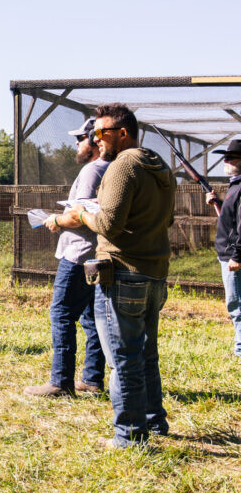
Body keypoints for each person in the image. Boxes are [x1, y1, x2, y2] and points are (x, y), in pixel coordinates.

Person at [65, 103, 176, 448]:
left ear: (122, 133)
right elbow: (166, 221)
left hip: (123, 274)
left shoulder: (122, 166)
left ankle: (129, 436)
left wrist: (82, 214)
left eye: (101, 132)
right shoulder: (158, 166)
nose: (96, 139)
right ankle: (153, 420)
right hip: (154, 275)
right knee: (146, 354)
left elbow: (109, 225)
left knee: (124, 358)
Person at [24, 118, 108, 398]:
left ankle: (61, 382)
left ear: (95, 140)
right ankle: (92, 380)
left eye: (81, 138)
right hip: (98, 255)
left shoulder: (92, 170)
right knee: (91, 318)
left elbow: (83, 215)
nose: (76, 143)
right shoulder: (113, 169)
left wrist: (56, 220)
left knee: (61, 314)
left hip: (78, 254)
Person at [206, 139, 241, 357]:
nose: (225, 161)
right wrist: (217, 204)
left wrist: (237, 255)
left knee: (236, 304)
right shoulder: (235, 185)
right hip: (230, 254)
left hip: (233, 257)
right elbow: (230, 220)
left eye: (231, 157)